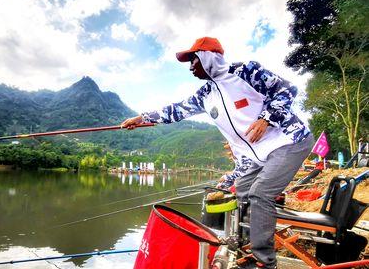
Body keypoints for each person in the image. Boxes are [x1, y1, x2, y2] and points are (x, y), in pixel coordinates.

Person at [121, 37, 314, 269]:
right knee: (242, 190)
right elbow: (175, 110)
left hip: (289, 140)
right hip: (257, 155)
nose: (190, 67)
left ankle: (265, 262)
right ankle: (245, 245)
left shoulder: (246, 72)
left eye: (193, 60)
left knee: (260, 194)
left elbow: (286, 89)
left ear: (208, 57)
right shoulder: (205, 94)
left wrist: (266, 119)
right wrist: (141, 119)